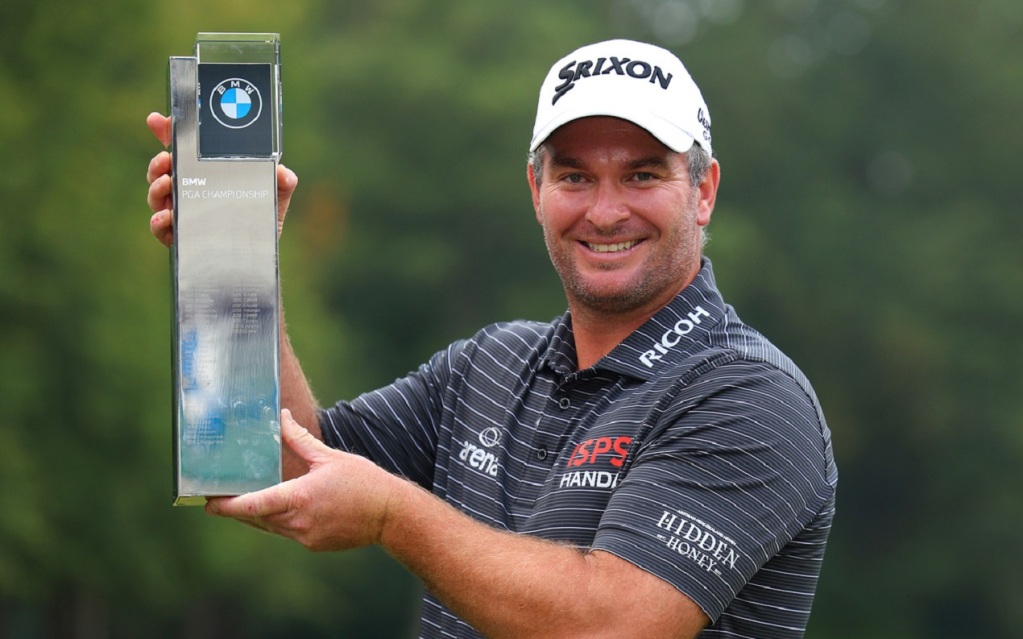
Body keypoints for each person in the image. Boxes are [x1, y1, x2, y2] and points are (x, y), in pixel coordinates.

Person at [146, 39, 837, 639]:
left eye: (642, 173)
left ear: (703, 189)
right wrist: (236, 269)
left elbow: (610, 623)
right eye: (573, 175)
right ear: (535, 188)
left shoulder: (749, 394)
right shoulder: (488, 363)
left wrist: (394, 516)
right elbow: (283, 464)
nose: (604, 209)